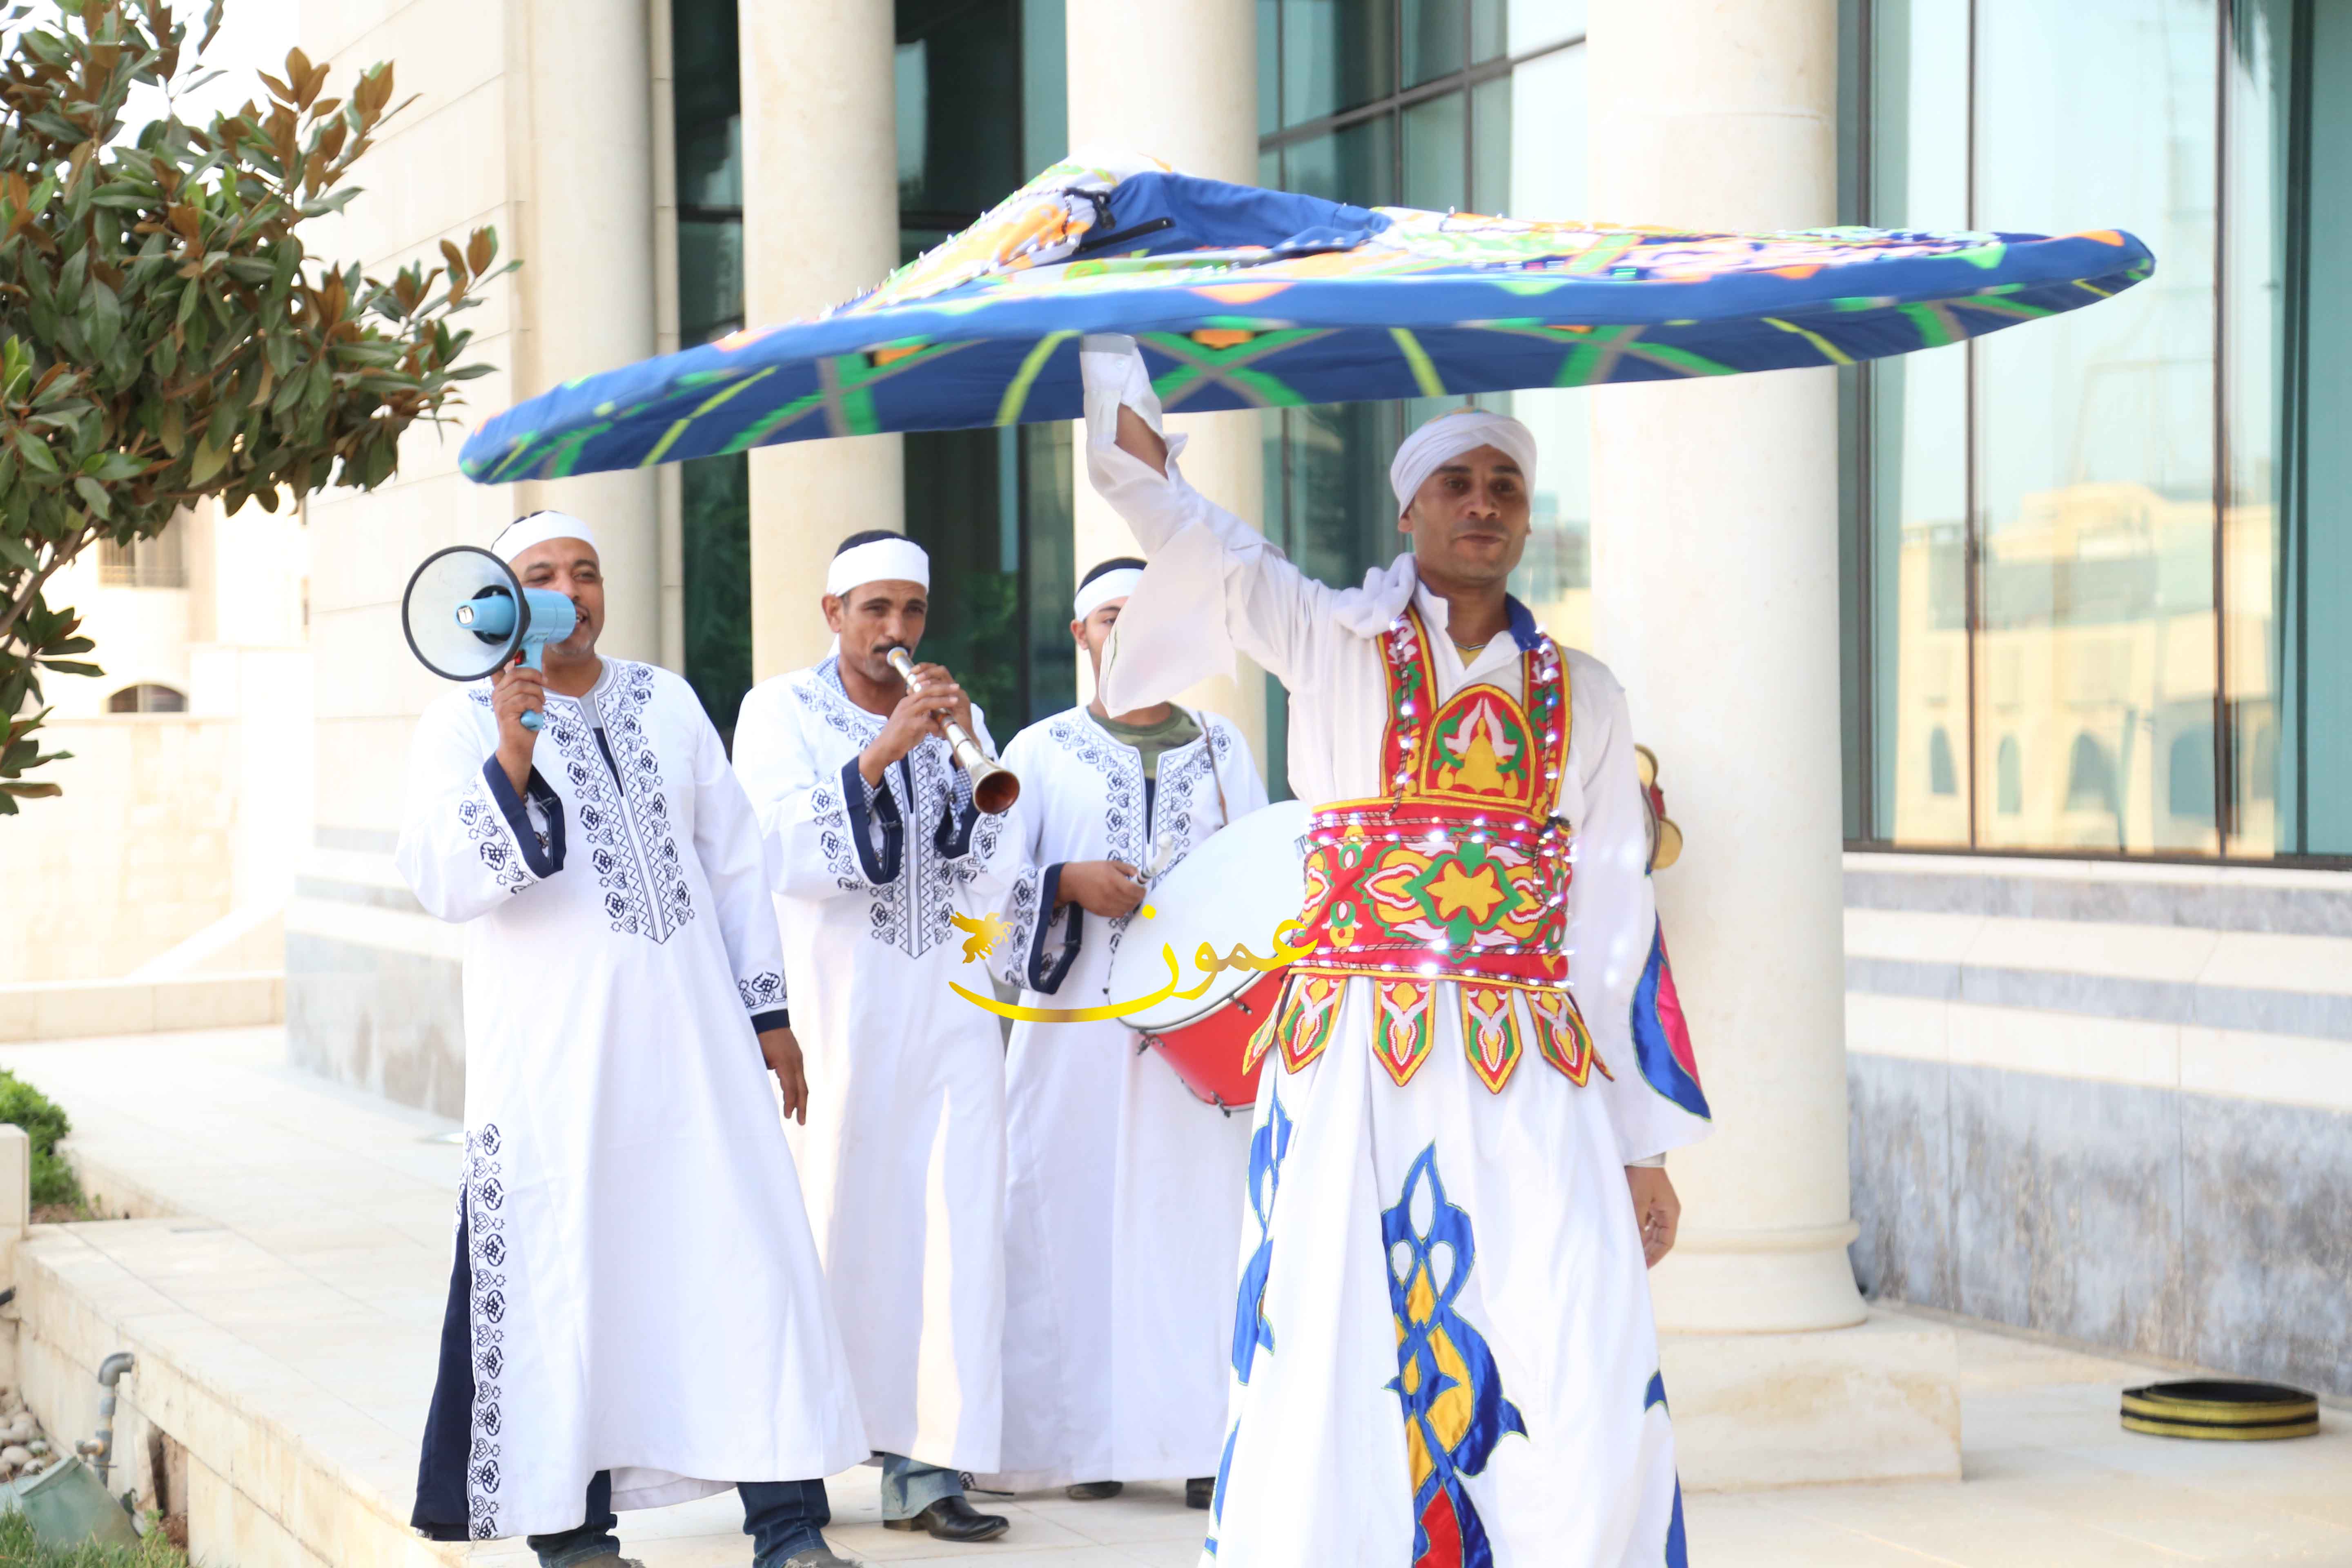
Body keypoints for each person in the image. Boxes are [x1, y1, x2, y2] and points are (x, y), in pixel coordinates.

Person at [1076, 339, 1714, 1568]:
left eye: (1506, 486)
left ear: (1528, 516)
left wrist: (1642, 1147)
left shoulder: (1585, 693)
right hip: (1356, 1060)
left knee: (1571, 1335)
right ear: (1409, 510)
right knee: (1335, 1337)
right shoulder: (1333, 637)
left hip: (1532, 1069)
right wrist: (1115, 339)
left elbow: (1613, 922)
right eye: (1457, 484)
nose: (1484, 504)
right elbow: (1166, 508)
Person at [397, 511, 868, 1568]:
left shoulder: (667, 701)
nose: (570, 591)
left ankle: (788, 1529)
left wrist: (768, 1015)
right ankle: (575, 1538)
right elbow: (443, 879)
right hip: (556, 1066)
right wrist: (513, 751)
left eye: (587, 572)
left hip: (697, 1046)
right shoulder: (457, 722)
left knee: (745, 1260)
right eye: (542, 574)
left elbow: (733, 862)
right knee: (573, 1280)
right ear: (496, 600)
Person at [731, 531, 1020, 1545]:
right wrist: (886, 749)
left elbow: (993, 870)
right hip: (832, 1010)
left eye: (911, 610)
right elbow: (773, 848)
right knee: (825, 1226)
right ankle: (797, 1472)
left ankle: (927, 1466)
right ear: (834, 614)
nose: (896, 629)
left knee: (950, 1225)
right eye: (875, 610)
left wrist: (967, 748)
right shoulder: (777, 710)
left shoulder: (951, 714)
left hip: (947, 1006)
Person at [980, 558, 1270, 1508]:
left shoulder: (1225, 747)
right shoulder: (1038, 751)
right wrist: (1066, 882)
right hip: (1072, 1033)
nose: (1133, 629)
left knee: (1198, 1223)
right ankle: (1082, 1447)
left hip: (1198, 1037)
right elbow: (982, 896)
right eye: (1112, 615)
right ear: (1081, 635)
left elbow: (1266, 881)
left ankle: (1200, 1441)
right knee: (1066, 1221)